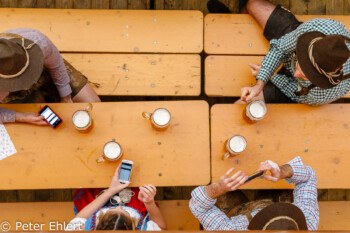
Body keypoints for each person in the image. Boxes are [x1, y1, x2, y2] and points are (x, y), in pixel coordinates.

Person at [208, 0, 350, 105]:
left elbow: (294, 90)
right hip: (293, 39)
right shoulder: (315, 29)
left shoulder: (322, 94)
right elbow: (281, 47)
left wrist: (271, 77)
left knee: (241, 105)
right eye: (301, 65)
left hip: (292, 88)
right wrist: (260, 83)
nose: (296, 74)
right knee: (252, 4)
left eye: (306, 76)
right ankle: (232, 22)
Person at [0, 28, 101, 125]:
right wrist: (21, 116)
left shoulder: (36, 42)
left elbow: (56, 65)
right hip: (14, 97)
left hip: (46, 72)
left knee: (96, 107)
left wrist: (65, 97)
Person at [189, 157, 319, 230]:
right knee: (275, 187)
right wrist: (282, 171)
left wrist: (217, 188)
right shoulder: (307, 221)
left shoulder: (232, 229)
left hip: (237, 211)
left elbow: (199, 208)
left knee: (221, 174)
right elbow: (309, 177)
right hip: (272, 200)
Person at [65, 165, 166, 231]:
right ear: (133, 227)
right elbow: (161, 227)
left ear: (98, 223)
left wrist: (111, 191)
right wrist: (149, 203)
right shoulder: (144, 229)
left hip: (97, 206)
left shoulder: (82, 229)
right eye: (125, 212)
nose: (119, 207)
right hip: (135, 206)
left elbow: (80, 218)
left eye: (113, 210)